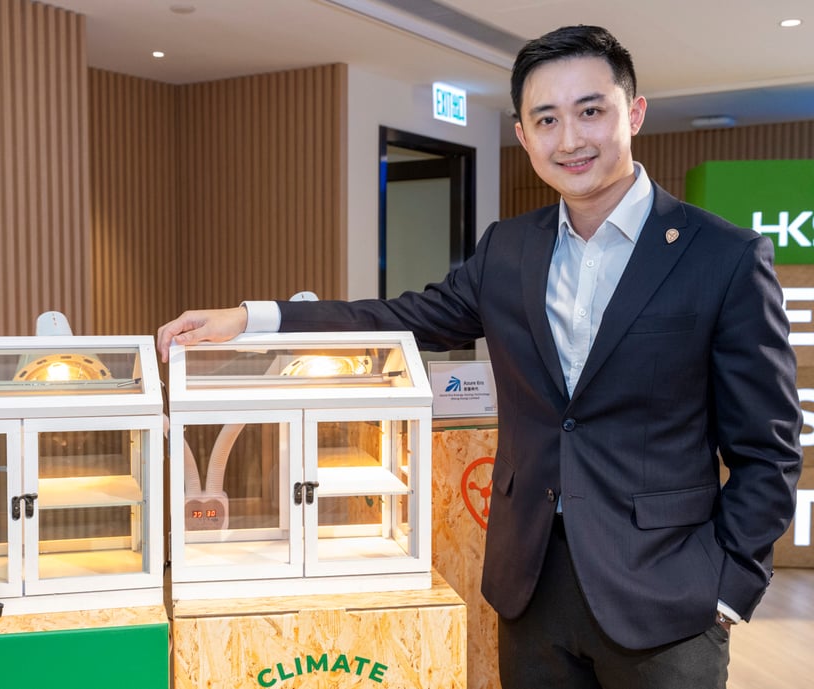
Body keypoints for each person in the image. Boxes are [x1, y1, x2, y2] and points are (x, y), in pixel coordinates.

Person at [157, 25, 802, 689]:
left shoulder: (722, 256)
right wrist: (254, 319)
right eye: (546, 119)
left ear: (633, 113)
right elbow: (399, 317)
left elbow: (770, 449)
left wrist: (728, 589)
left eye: (590, 111)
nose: (569, 139)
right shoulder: (509, 249)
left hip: (667, 598)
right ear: (523, 134)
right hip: (533, 590)